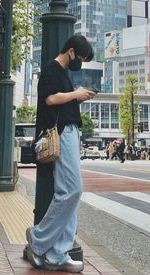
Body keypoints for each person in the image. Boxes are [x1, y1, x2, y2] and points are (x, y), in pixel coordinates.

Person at [26, 35, 95, 273]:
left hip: (70, 133)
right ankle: (37, 240)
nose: (82, 63)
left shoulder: (63, 72)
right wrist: (76, 94)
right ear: (71, 51)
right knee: (71, 191)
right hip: (61, 134)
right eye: (82, 58)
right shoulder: (52, 69)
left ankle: (58, 254)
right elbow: (50, 98)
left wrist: (78, 97)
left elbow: (61, 100)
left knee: (71, 196)